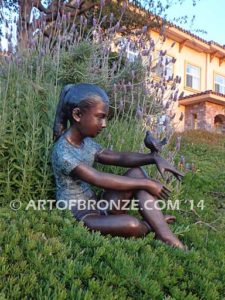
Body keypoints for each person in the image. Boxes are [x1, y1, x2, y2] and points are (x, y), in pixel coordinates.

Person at [52, 83, 185, 249]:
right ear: (78, 115)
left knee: (137, 172)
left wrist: (151, 158)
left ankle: (164, 234)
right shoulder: (63, 152)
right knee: (132, 224)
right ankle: (151, 224)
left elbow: (117, 156)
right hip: (80, 216)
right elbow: (98, 178)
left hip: (98, 206)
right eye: (100, 117)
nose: (104, 124)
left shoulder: (87, 143)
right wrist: (147, 183)